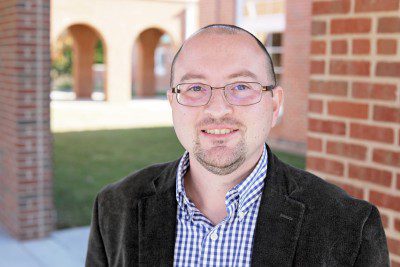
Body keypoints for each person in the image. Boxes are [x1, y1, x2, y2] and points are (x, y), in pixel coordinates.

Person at [86, 24, 389, 266]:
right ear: (172, 103)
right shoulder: (116, 207)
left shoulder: (350, 228)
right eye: (195, 88)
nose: (217, 109)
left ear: (275, 104)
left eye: (241, 87)